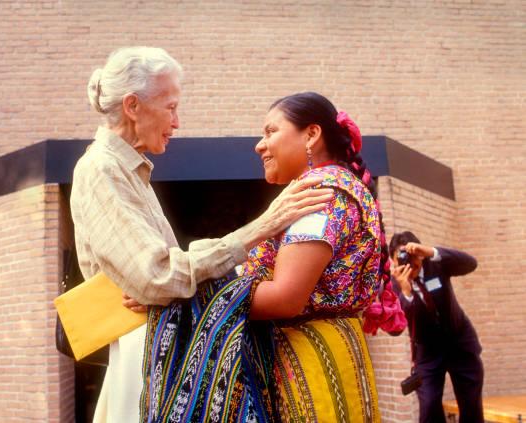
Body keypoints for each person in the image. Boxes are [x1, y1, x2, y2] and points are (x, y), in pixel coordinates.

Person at [70, 47, 333, 423]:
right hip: (139, 350)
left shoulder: (127, 171)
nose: (177, 122)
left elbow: (164, 274)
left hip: (151, 345)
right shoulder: (101, 169)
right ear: (133, 106)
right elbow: (158, 276)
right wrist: (263, 226)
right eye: (170, 107)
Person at [142, 92, 405, 422]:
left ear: (311, 134)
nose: (259, 145)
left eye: (270, 131)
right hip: (325, 352)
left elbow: (285, 298)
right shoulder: (329, 188)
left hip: (310, 364)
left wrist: (177, 295)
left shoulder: (318, 194)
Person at [389, 231, 483, 423]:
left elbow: (470, 263)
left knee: (471, 405)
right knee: (430, 406)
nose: (409, 263)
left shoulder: (435, 263)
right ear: (392, 261)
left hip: (460, 343)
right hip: (427, 351)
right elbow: (394, 329)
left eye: (412, 255)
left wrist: (432, 251)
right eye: (401, 257)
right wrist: (406, 295)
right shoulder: (393, 286)